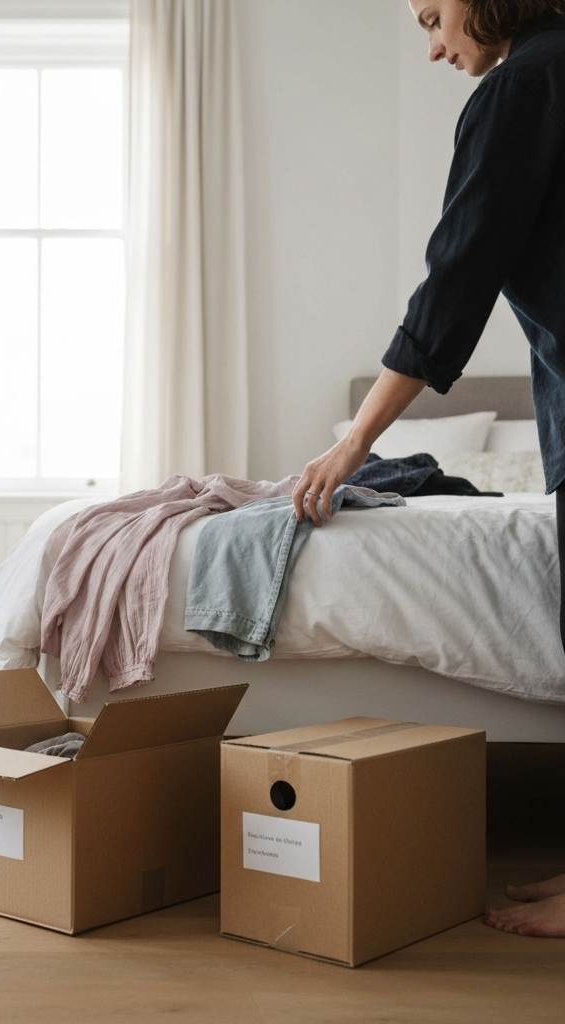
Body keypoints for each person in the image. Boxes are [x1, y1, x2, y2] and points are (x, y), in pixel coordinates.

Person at [292, 0, 565, 938]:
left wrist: (353, 441)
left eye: (433, 17)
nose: (438, 45)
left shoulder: (523, 84)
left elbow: (457, 280)